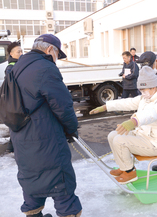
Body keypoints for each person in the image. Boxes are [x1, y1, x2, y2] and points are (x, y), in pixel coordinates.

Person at [10, 34, 82, 217]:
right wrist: (71, 130)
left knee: (32, 182)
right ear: (50, 49)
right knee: (61, 185)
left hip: (21, 136)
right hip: (47, 137)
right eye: (57, 54)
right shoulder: (45, 67)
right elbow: (63, 106)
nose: (57, 59)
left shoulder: (17, 67)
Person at [90, 66, 157, 184]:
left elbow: (153, 113)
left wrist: (134, 122)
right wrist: (106, 106)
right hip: (144, 136)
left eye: (144, 90)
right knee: (112, 135)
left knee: (120, 140)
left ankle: (130, 172)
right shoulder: (146, 98)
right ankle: (124, 167)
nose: (142, 93)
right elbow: (127, 102)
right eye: (141, 90)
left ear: (154, 87)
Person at [4, 41, 23, 153]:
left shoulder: (17, 65)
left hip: (17, 101)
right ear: (11, 54)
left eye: (21, 51)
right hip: (16, 101)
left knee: (17, 125)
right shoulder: (11, 68)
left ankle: (10, 148)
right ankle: (11, 148)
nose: (21, 53)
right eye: (18, 51)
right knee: (17, 124)